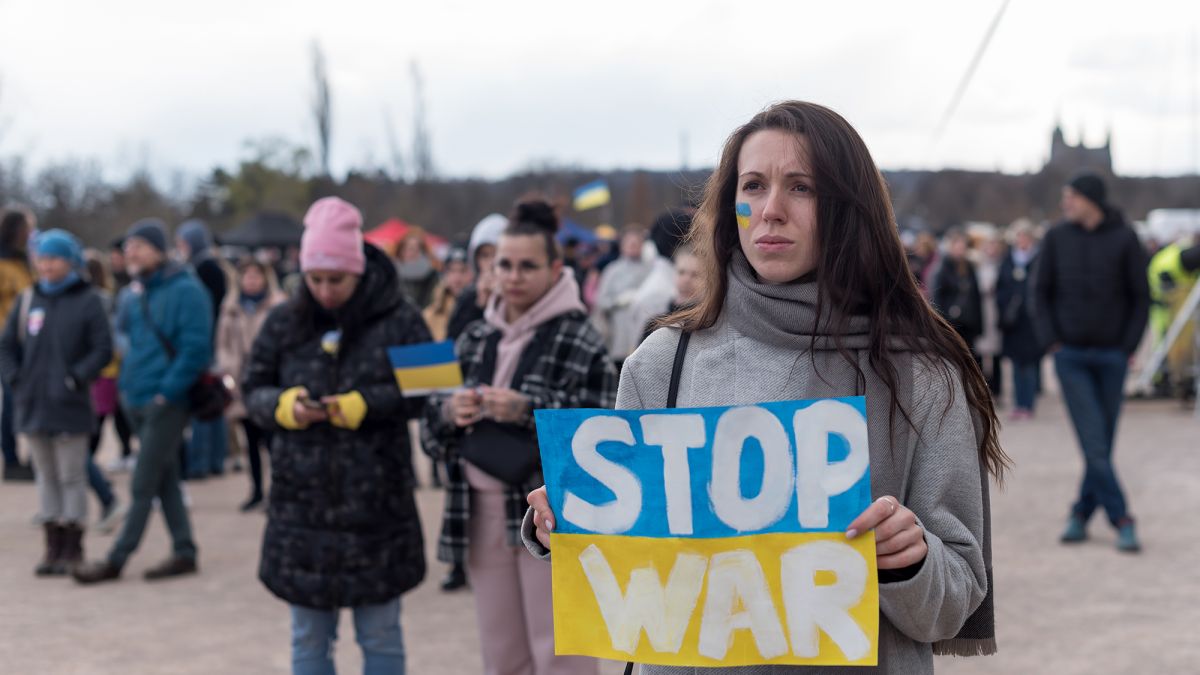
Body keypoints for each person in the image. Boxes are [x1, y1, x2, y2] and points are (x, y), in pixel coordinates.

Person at [525, 101, 1006, 673]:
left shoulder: (920, 374)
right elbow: (636, 585)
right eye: (753, 185)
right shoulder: (662, 362)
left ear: (849, 210)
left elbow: (951, 605)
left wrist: (912, 559)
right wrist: (572, 527)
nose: (771, 210)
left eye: (801, 188)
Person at [425, 199, 616, 675]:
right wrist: (451, 410)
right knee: (501, 653)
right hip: (479, 509)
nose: (513, 276)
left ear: (555, 269)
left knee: (561, 654)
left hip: (552, 513)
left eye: (527, 265)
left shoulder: (581, 337)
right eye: (503, 264)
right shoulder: (472, 337)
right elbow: (429, 426)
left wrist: (526, 410)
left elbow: (605, 436)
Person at [242, 197, 429, 675]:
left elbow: (434, 392)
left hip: (377, 507)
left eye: (336, 280)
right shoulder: (283, 322)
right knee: (308, 637)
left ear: (358, 271)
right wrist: (283, 407)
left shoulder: (403, 319)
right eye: (314, 279)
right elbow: (252, 388)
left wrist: (366, 403)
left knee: (381, 633)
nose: (324, 290)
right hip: (300, 507)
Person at [73, 218, 213, 584]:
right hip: (133, 396)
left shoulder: (187, 291)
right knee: (164, 478)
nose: (130, 252)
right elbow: (121, 333)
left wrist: (167, 391)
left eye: (140, 245)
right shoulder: (133, 294)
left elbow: (196, 348)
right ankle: (185, 550)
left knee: (142, 481)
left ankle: (116, 558)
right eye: (128, 246)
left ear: (160, 249)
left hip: (166, 401)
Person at [1033, 171, 1150, 553]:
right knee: (1095, 442)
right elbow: (1040, 293)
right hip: (1072, 357)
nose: (1065, 203)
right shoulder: (1055, 237)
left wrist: (1127, 346)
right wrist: (1052, 342)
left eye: (1071, 196)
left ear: (1090, 200)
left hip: (1112, 356)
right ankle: (1123, 519)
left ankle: (1080, 514)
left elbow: (1140, 297)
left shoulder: (1125, 237)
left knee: (1099, 443)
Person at [0, 230, 113, 575]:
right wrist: (16, 379)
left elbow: (102, 349)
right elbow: (7, 346)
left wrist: (76, 377)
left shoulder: (89, 300)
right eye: (42, 258)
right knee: (45, 475)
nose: (45, 265)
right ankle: (51, 546)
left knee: (71, 475)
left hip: (69, 403)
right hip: (33, 402)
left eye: (53, 258)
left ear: (70, 261)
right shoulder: (28, 298)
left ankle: (73, 546)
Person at [216, 258, 288, 512]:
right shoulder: (231, 308)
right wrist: (229, 372)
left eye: (256, 276)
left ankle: (277, 491)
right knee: (251, 442)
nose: (251, 281)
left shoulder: (278, 306)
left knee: (273, 442)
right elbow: (223, 344)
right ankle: (256, 489)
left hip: (271, 381)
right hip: (242, 381)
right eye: (247, 276)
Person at [176, 219, 230, 480]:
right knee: (212, 401)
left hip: (206, 343)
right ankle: (214, 459)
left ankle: (201, 461)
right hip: (210, 342)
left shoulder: (204, 269)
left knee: (204, 401)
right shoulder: (209, 267)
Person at [83, 252, 130, 533]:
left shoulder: (97, 300)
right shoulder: (107, 296)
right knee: (99, 424)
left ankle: (105, 493)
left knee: (92, 429)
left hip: (103, 374)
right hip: (106, 372)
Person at [0, 207, 36, 481]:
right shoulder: (3, 266)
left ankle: (31, 457)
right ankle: (11, 460)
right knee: (11, 400)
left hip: (29, 340)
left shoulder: (26, 262)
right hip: (5, 341)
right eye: (28, 227)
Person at [995, 222, 1043, 419]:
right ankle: (1018, 404)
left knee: (1030, 364)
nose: (1022, 241)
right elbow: (1001, 288)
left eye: (1025, 237)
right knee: (1015, 365)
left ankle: (1028, 404)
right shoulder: (1008, 261)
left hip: (1031, 322)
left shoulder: (1038, 260)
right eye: (1019, 237)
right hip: (1013, 322)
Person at [592, 224, 654, 365]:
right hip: (618, 337)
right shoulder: (612, 271)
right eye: (629, 242)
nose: (633, 246)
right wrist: (618, 301)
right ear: (622, 245)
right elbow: (600, 301)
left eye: (636, 242)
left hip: (643, 335)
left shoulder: (651, 270)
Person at [446, 214, 506, 342]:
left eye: (497, 253)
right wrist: (479, 305)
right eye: (485, 256)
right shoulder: (468, 296)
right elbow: (453, 342)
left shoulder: (518, 293)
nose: (491, 262)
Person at [931, 228, 984, 367]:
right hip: (952, 323)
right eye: (958, 245)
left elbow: (976, 297)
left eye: (963, 246)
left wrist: (979, 325)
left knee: (970, 361)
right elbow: (937, 298)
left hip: (969, 323)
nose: (961, 249)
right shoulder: (942, 268)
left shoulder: (969, 267)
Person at [640, 242, 702, 342]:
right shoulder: (655, 325)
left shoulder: (710, 327)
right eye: (681, 272)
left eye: (695, 275)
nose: (686, 280)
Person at [973, 232, 1006, 400]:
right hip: (981, 312)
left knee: (996, 353)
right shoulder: (977, 266)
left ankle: (997, 389)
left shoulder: (1003, 265)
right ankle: (981, 387)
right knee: (979, 351)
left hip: (996, 312)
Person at [422, 244, 473, 342]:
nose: (457, 278)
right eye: (451, 271)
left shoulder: (484, 310)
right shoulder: (429, 315)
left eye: (463, 270)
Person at [394, 227, 440, 310]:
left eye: (416, 249)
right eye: (408, 248)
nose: (411, 253)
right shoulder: (392, 274)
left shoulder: (431, 275)